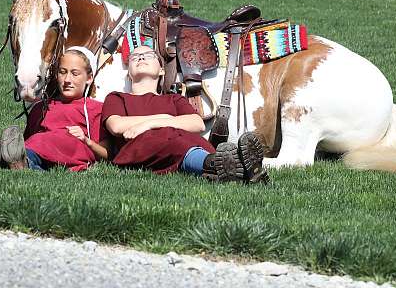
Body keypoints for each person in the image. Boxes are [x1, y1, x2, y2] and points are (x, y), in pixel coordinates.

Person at [77, 45, 268, 184]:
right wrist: (167, 121)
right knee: (169, 137)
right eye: (134, 57)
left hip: (180, 145)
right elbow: (117, 126)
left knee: (181, 141)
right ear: (129, 74)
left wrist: (149, 124)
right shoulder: (118, 97)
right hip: (141, 149)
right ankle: (229, 165)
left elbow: (197, 123)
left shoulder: (173, 100)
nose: (141, 58)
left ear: (161, 70)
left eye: (148, 55)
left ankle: (241, 171)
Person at [0, 47, 103, 171]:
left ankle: (7, 161)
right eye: (62, 72)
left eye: (75, 74)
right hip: (39, 152)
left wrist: (87, 140)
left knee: (45, 142)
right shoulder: (42, 107)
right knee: (37, 143)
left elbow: (107, 153)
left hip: (68, 153)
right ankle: (12, 161)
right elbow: (28, 139)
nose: (67, 80)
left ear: (89, 78)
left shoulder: (95, 109)